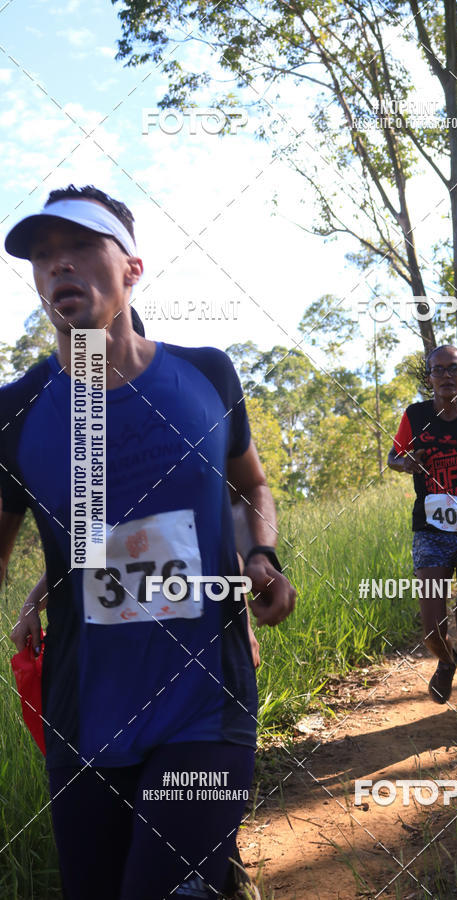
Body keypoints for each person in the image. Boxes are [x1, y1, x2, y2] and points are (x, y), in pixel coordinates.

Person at [1, 184, 296, 900]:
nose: (57, 266)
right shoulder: (17, 411)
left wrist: (261, 555)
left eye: (79, 247)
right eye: (42, 256)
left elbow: (249, 487)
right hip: (86, 708)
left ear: (132, 267)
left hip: (205, 696)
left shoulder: (206, 373)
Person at [388, 345, 457, 744]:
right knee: (432, 627)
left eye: (455, 368)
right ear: (429, 378)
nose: (447, 375)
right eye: (439, 370)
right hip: (430, 531)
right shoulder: (416, 416)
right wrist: (406, 463)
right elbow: (393, 457)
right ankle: (446, 660)